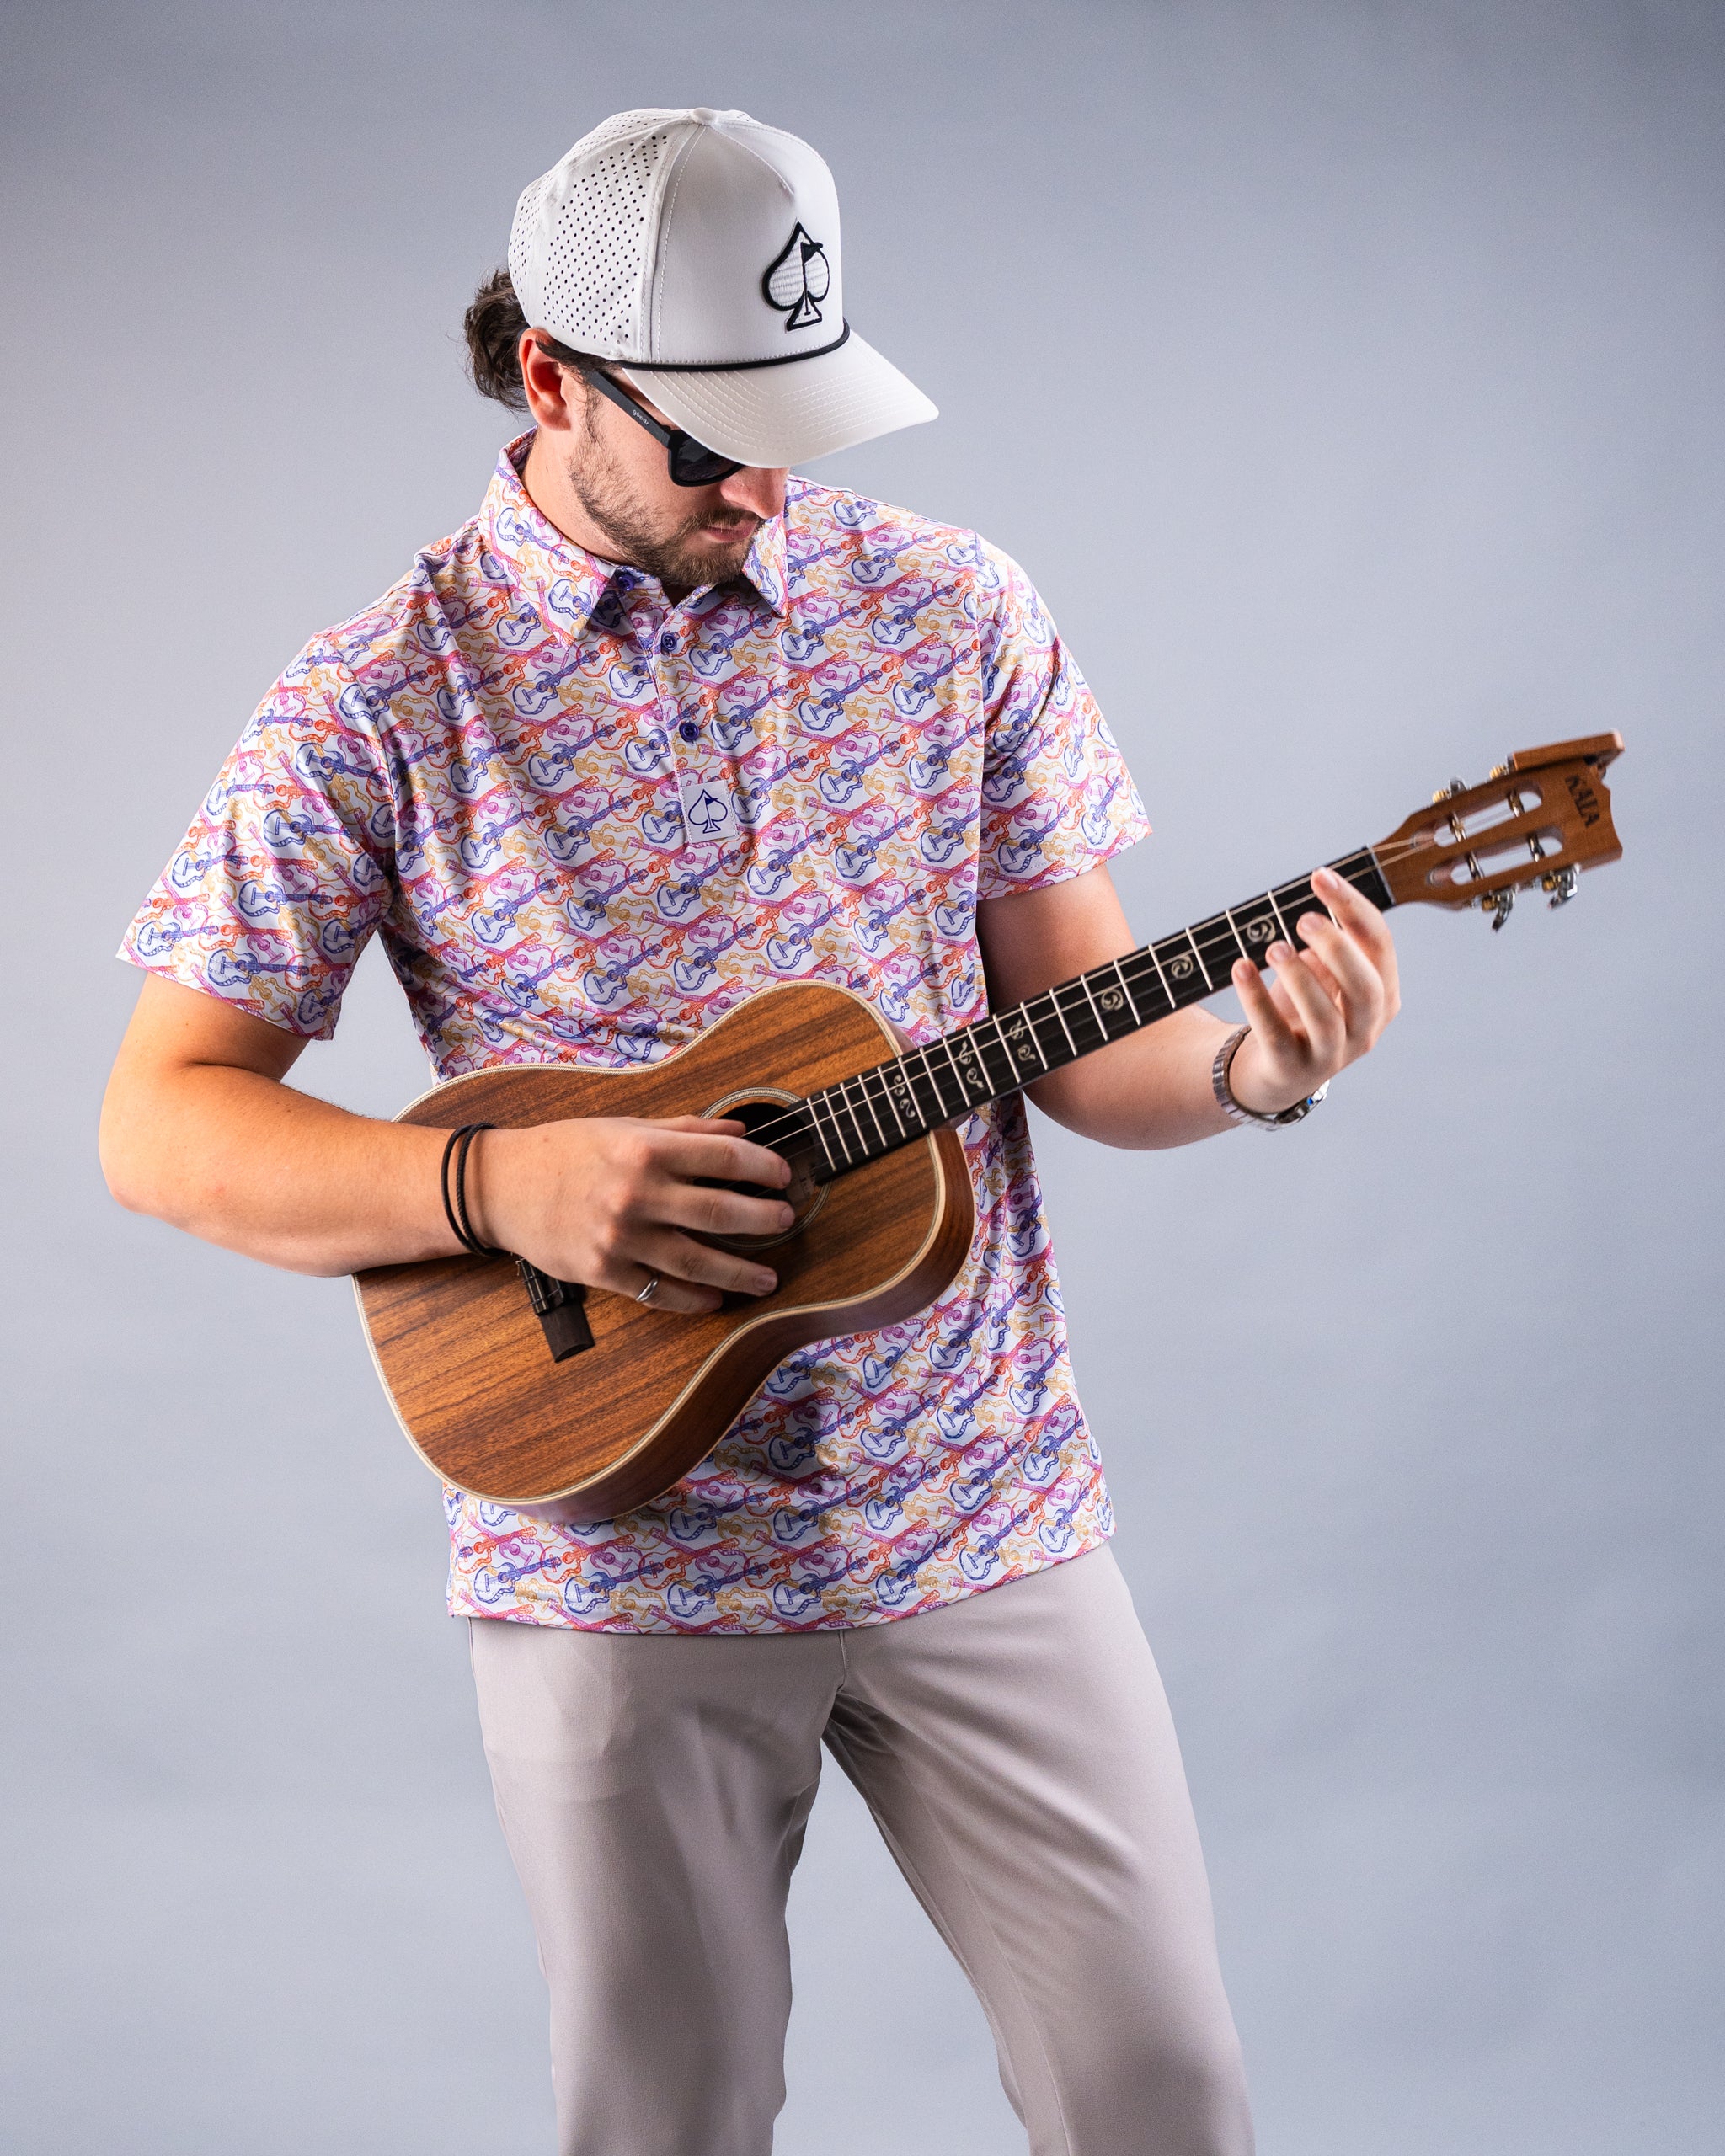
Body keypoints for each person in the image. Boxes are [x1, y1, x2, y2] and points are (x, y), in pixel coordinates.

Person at [100, 107, 1399, 2156]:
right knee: (668, 2122)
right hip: (614, 1542)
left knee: (1168, 2097)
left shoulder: (957, 612)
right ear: (551, 377)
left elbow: (1076, 1043)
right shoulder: (378, 698)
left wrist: (1254, 1066)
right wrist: (491, 1178)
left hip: (985, 1510)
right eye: (713, 438)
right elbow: (162, 1126)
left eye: (803, 419)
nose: (771, 481)